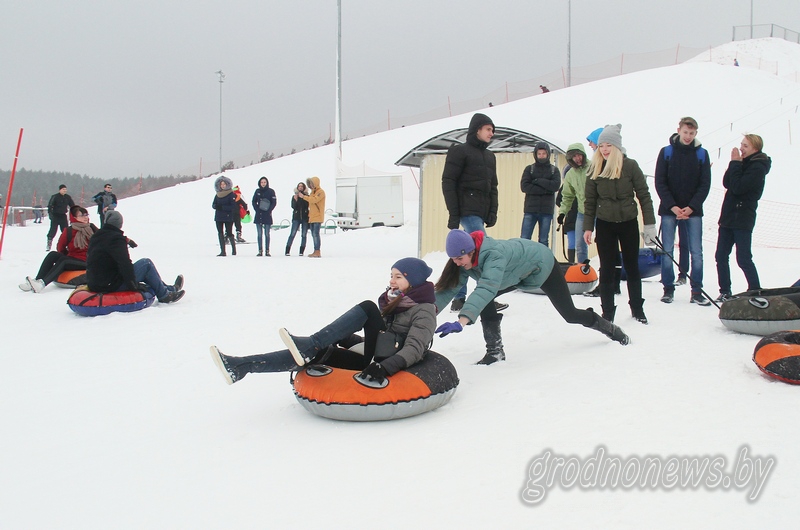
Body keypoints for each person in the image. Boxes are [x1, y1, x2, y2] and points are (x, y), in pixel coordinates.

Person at [211, 257, 437, 384]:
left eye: (398, 277)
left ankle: (311, 344)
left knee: (368, 307)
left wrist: (385, 368)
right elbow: (378, 337)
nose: (392, 281)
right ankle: (241, 366)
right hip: (373, 355)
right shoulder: (394, 301)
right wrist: (348, 339)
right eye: (391, 275)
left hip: (386, 360)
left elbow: (415, 348)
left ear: (413, 280)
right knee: (318, 354)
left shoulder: (424, 310)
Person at [434, 230, 629, 365]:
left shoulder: (494, 256)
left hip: (541, 265)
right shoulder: (464, 260)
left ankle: (611, 329)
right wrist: (428, 311)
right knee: (485, 302)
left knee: (570, 314)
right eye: (453, 260)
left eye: (459, 259)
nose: (457, 263)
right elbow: (448, 288)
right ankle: (495, 352)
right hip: (517, 273)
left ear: (471, 251)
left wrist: (462, 321)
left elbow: (486, 287)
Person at [582, 124, 656, 324]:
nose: (604, 149)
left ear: (616, 147)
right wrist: (588, 227)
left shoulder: (630, 166)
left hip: (628, 222)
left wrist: (649, 225)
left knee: (632, 266)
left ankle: (637, 309)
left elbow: (644, 196)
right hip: (605, 224)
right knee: (606, 267)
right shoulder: (594, 168)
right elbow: (589, 201)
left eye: (608, 145)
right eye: (601, 146)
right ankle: (607, 313)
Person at [441, 112, 502, 312]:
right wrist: (454, 212)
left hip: (481, 212)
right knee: (482, 251)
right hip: (467, 209)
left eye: (492, 130)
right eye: (488, 129)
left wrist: (493, 211)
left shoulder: (489, 156)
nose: (491, 134)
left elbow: (493, 186)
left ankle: (459, 298)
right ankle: (486, 297)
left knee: (464, 255)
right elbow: (448, 182)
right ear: (477, 129)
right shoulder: (460, 152)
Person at [654, 117, 712, 306]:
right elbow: (660, 182)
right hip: (670, 210)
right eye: (685, 132)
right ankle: (668, 289)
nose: (688, 136)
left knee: (696, 252)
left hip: (693, 212)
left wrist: (691, 207)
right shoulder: (666, 153)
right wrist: (672, 206)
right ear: (678, 130)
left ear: (696, 133)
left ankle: (696, 291)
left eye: (692, 133)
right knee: (667, 250)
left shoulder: (702, 154)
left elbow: (705, 185)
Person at [714, 134, 771, 302]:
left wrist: (735, 164)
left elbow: (738, 187)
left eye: (745, 145)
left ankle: (755, 289)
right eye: (741, 144)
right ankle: (725, 290)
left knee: (743, 257)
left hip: (743, 217)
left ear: (755, 148)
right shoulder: (740, 163)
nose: (741, 148)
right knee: (721, 255)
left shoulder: (758, 167)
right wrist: (733, 164)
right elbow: (726, 182)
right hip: (728, 216)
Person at [86, 211, 184, 303]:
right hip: (110, 284)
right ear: (120, 224)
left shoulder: (97, 236)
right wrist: (132, 284)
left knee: (142, 267)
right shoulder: (116, 239)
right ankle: (165, 296)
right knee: (146, 264)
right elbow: (124, 263)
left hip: (95, 282)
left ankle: (170, 289)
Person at [20, 205, 98, 293]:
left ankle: (42, 284)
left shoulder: (92, 228)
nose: (85, 217)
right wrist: (66, 256)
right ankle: (36, 281)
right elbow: (60, 247)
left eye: (86, 215)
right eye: (82, 215)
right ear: (74, 218)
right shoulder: (69, 231)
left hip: (88, 260)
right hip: (74, 258)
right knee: (53, 254)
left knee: (64, 261)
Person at [520, 141, 559, 247]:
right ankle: (522, 261)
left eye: (544, 153)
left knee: (543, 240)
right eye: (539, 154)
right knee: (524, 239)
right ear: (535, 154)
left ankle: (543, 262)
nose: (541, 156)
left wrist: (538, 181)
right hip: (530, 210)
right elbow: (524, 187)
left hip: (546, 211)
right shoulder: (529, 169)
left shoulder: (553, 170)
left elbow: (555, 186)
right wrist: (546, 189)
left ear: (548, 154)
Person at [557, 143, 591, 263]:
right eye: (574, 156)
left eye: (579, 155)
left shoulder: (594, 167)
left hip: (599, 211)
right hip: (582, 212)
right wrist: (562, 213)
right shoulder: (570, 175)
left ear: (583, 154)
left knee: (604, 242)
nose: (577, 158)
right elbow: (567, 196)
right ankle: (583, 270)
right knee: (580, 245)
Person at [300, 176, 326, 258]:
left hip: (317, 216)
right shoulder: (312, 193)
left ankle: (317, 251)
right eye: (310, 184)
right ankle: (315, 250)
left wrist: (304, 197)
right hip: (312, 217)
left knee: (316, 234)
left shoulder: (321, 192)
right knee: (313, 234)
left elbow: (314, 200)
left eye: (312, 183)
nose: (311, 185)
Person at [212, 176, 237, 257]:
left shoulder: (231, 194)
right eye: (221, 184)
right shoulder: (218, 194)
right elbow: (213, 204)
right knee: (220, 233)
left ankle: (233, 249)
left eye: (224, 184)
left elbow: (233, 206)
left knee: (229, 233)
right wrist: (216, 206)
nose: (222, 186)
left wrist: (223, 207)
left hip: (228, 216)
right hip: (219, 217)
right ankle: (223, 251)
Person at [252, 177, 277, 257]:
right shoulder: (257, 191)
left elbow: (274, 202)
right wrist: (257, 209)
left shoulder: (271, 191)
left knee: (267, 233)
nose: (263, 184)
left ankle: (267, 250)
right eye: (262, 182)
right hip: (259, 214)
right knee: (259, 234)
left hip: (267, 214)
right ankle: (260, 250)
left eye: (264, 182)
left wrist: (269, 210)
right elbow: (253, 201)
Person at [46, 184, 75, 251]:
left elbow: (72, 206)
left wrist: (74, 214)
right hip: (55, 216)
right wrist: (51, 215)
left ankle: (67, 245)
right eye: (63, 189)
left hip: (63, 216)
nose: (64, 191)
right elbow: (50, 206)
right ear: (60, 190)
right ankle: (49, 243)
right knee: (53, 230)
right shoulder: (55, 197)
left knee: (65, 231)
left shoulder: (67, 197)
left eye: (65, 189)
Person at [285, 181, 310, 256]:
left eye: (302, 186)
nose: (300, 188)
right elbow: (293, 206)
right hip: (296, 217)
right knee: (292, 233)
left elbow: (307, 205)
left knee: (304, 235)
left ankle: (301, 251)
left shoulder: (307, 196)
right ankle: (287, 250)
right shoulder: (294, 196)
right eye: (299, 186)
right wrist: (296, 200)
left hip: (305, 217)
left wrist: (303, 197)